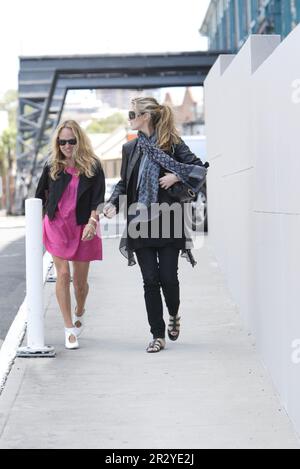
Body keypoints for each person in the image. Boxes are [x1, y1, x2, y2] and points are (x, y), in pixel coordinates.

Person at [103, 97, 206, 353]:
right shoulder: (131, 149)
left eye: (132, 114)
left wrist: (176, 175)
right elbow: (125, 183)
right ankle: (157, 335)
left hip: (169, 219)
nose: (129, 118)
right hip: (139, 221)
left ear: (146, 116)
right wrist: (113, 203)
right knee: (150, 280)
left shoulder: (171, 144)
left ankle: (174, 313)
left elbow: (199, 169)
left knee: (168, 278)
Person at [35, 120, 105, 349]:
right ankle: (68, 329)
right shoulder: (52, 166)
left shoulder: (93, 165)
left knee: (80, 285)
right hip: (57, 226)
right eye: (62, 141)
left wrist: (92, 222)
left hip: (84, 225)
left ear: (79, 140)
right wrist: (38, 223)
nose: (66, 145)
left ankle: (79, 310)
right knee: (63, 274)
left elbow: (98, 199)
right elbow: (40, 197)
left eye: (71, 141)